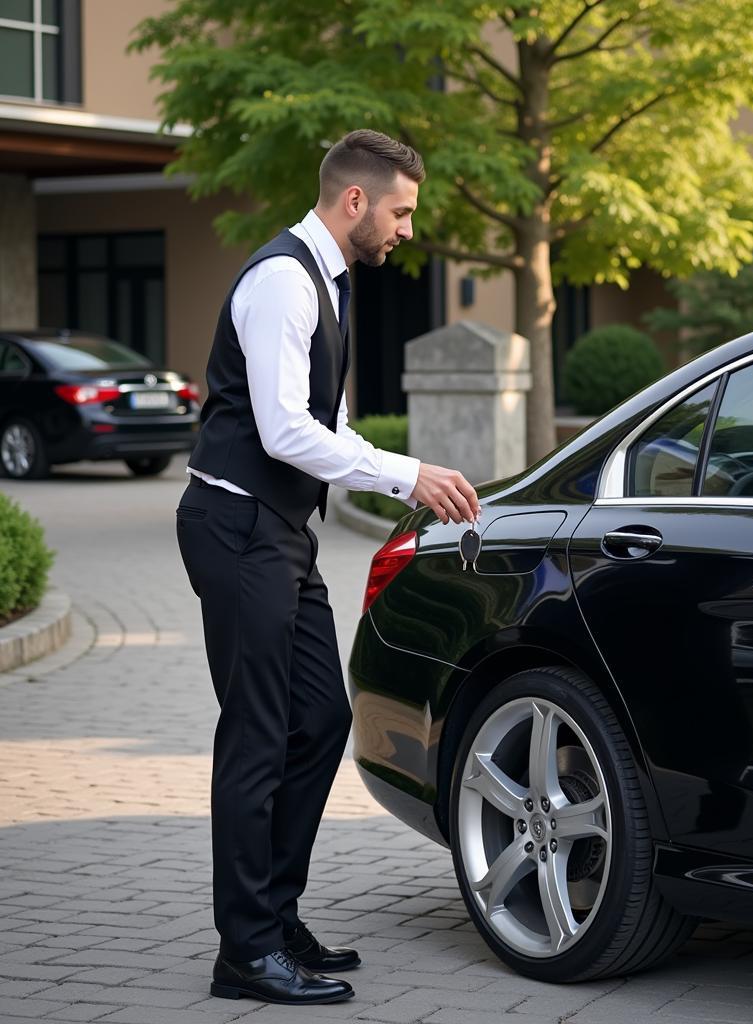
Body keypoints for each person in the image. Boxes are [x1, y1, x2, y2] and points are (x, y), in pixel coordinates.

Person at [175, 129, 480, 1007]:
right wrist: (404, 473)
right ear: (356, 200)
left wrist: (405, 470)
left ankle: (274, 917)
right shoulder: (282, 281)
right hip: (235, 525)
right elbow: (281, 432)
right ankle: (245, 952)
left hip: (278, 531)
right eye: (401, 210)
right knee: (258, 735)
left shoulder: (331, 283)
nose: (406, 229)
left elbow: (329, 431)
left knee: (320, 719)